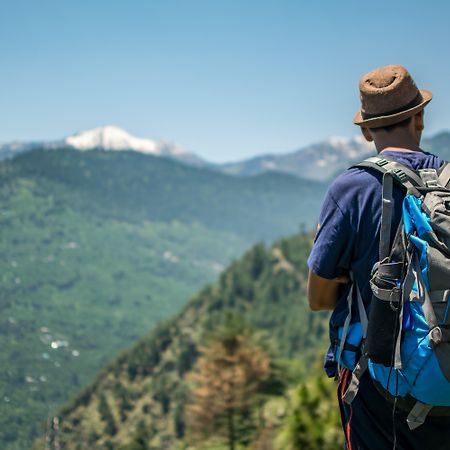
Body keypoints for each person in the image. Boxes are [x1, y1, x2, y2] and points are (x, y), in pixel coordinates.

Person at [307, 64, 450, 449]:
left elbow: (317, 299)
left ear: (366, 129)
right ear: (420, 117)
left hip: (379, 391)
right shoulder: (447, 183)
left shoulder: (351, 190)